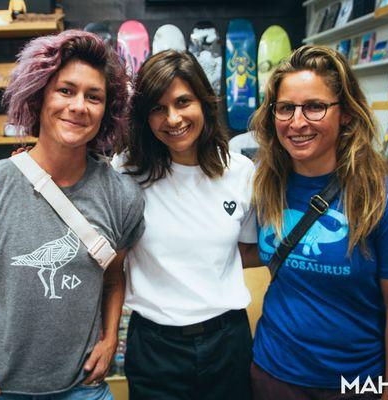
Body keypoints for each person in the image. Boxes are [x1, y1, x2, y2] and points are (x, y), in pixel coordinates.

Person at [0, 30, 145, 400]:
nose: (79, 106)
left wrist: (109, 338)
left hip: (81, 388)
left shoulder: (123, 196)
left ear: (107, 110)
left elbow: (114, 279)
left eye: (94, 96)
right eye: (65, 90)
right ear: (39, 96)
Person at [249, 45, 388, 399]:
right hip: (272, 374)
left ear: (344, 113)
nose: (297, 122)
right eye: (286, 108)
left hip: (353, 383)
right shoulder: (264, 184)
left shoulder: (385, 198)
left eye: (315, 106)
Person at [112, 50, 258, 400]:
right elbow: (114, 264)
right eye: (158, 108)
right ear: (145, 117)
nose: (172, 118)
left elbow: (245, 250)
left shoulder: (239, 171)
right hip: (155, 347)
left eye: (183, 102)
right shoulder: (126, 173)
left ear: (204, 103)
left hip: (228, 341)